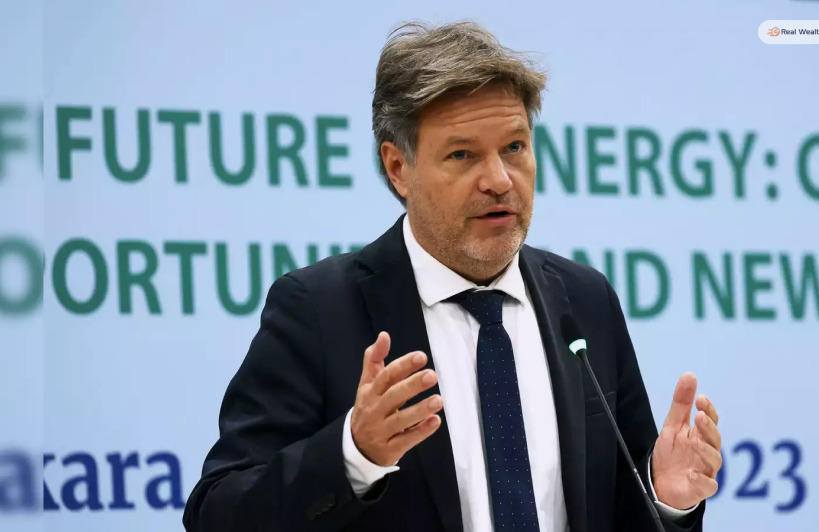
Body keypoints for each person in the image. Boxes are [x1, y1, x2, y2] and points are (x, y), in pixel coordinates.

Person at [183, 21, 722, 532]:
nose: (499, 180)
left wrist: (667, 498)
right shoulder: (319, 310)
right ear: (398, 168)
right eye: (463, 155)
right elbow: (218, 512)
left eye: (514, 147)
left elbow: (624, 509)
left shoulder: (584, 300)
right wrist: (353, 455)